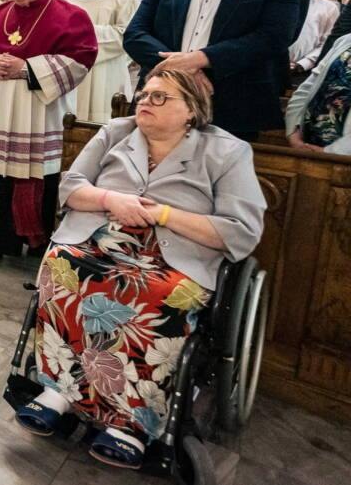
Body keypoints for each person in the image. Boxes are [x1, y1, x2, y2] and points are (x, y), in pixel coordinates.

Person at [15, 72, 263, 470]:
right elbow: (70, 187)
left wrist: (163, 213)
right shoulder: (116, 131)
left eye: (161, 97)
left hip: (174, 252)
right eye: (144, 94)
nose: (145, 101)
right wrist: (111, 198)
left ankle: (132, 422)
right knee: (64, 267)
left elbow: (242, 231)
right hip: (100, 234)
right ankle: (58, 391)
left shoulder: (227, 152)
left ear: (191, 110)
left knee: (152, 292)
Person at [0, 0, 98, 265]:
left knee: (36, 175)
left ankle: (35, 239)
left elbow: (81, 60)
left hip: (37, 110)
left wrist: (26, 68)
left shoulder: (69, 15)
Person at [124, 0, 300, 140]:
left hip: (234, 103)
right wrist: (180, 68)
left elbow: (273, 37)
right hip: (160, 98)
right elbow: (134, 35)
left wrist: (202, 58)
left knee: (219, 173)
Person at [63, 0, 136, 123]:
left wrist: (83, 32)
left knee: (102, 121)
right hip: (72, 68)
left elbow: (126, 35)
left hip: (107, 71)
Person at [286, 28, 351, 154]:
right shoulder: (346, 40)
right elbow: (309, 86)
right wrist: (293, 130)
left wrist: (331, 152)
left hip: (342, 160)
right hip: (305, 145)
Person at [282, 0, 339, 80]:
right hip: (266, 66)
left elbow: (329, 41)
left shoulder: (328, 7)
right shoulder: (272, 2)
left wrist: (303, 64)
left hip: (303, 72)